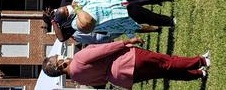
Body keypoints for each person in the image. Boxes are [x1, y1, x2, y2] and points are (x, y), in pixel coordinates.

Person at [42, 38, 210, 89]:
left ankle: (199, 73)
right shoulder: (78, 58)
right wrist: (128, 41)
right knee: (167, 62)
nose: (61, 55)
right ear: (59, 65)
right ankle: (202, 61)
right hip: (128, 60)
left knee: (163, 72)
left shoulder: (77, 79)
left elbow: (100, 83)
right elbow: (106, 49)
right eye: (58, 57)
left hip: (122, 78)